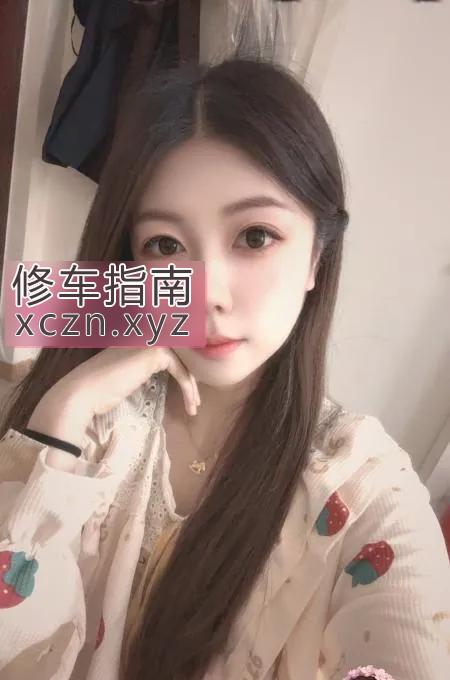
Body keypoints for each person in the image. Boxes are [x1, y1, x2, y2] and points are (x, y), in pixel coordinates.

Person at [0, 58, 448, 680]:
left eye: (255, 237)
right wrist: (59, 418)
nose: (205, 293)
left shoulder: (365, 489)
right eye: (165, 246)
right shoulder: (86, 416)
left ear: (317, 257)